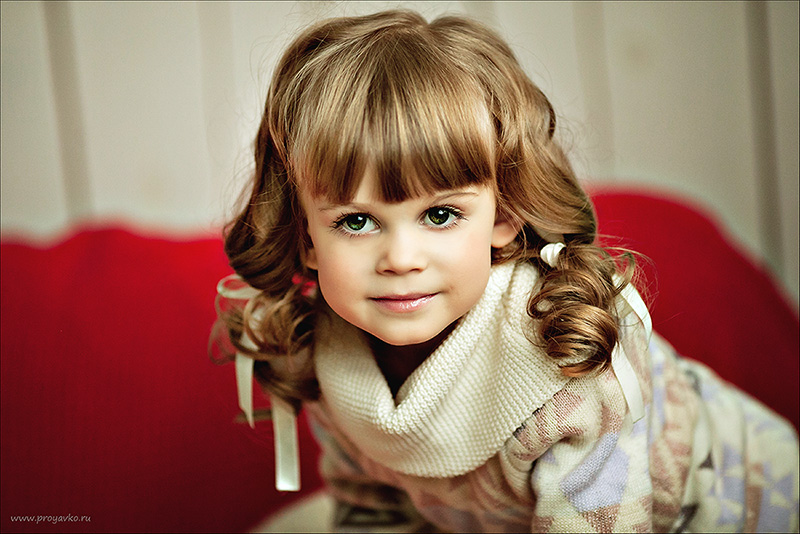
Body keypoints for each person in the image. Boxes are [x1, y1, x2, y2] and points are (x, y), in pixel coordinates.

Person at [210, 9, 799, 533]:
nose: (401, 258)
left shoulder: (565, 361)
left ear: (505, 215)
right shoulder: (325, 360)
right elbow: (374, 511)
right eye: (357, 222)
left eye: (440, 215)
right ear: (305, 236)